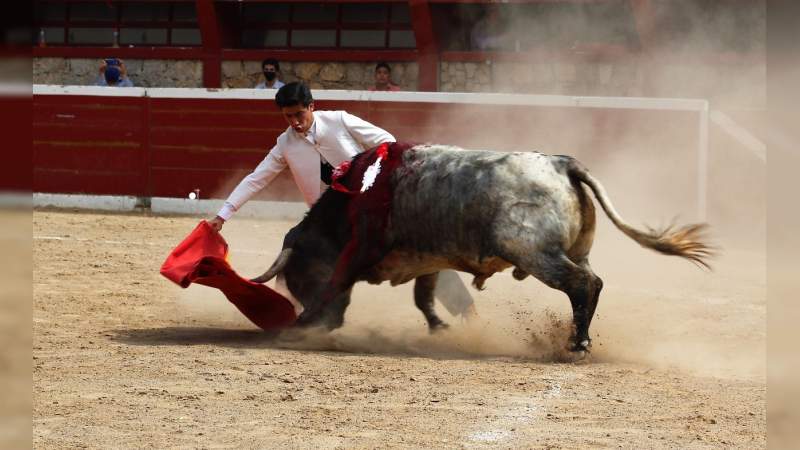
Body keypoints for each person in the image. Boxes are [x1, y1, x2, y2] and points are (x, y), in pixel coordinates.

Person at [208, 82, 477, 320]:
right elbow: (257, 179)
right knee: (294, 244)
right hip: (329, 222)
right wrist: (223, 215)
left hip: (373, 209)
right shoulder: (285, 144)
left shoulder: (340, 121)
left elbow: (387, 141)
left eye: (299, 114)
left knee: (420, 251)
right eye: (288, 117)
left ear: (311, 106)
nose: (295, 122)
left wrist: (361, 168)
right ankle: (289, 308)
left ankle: (466, 310)